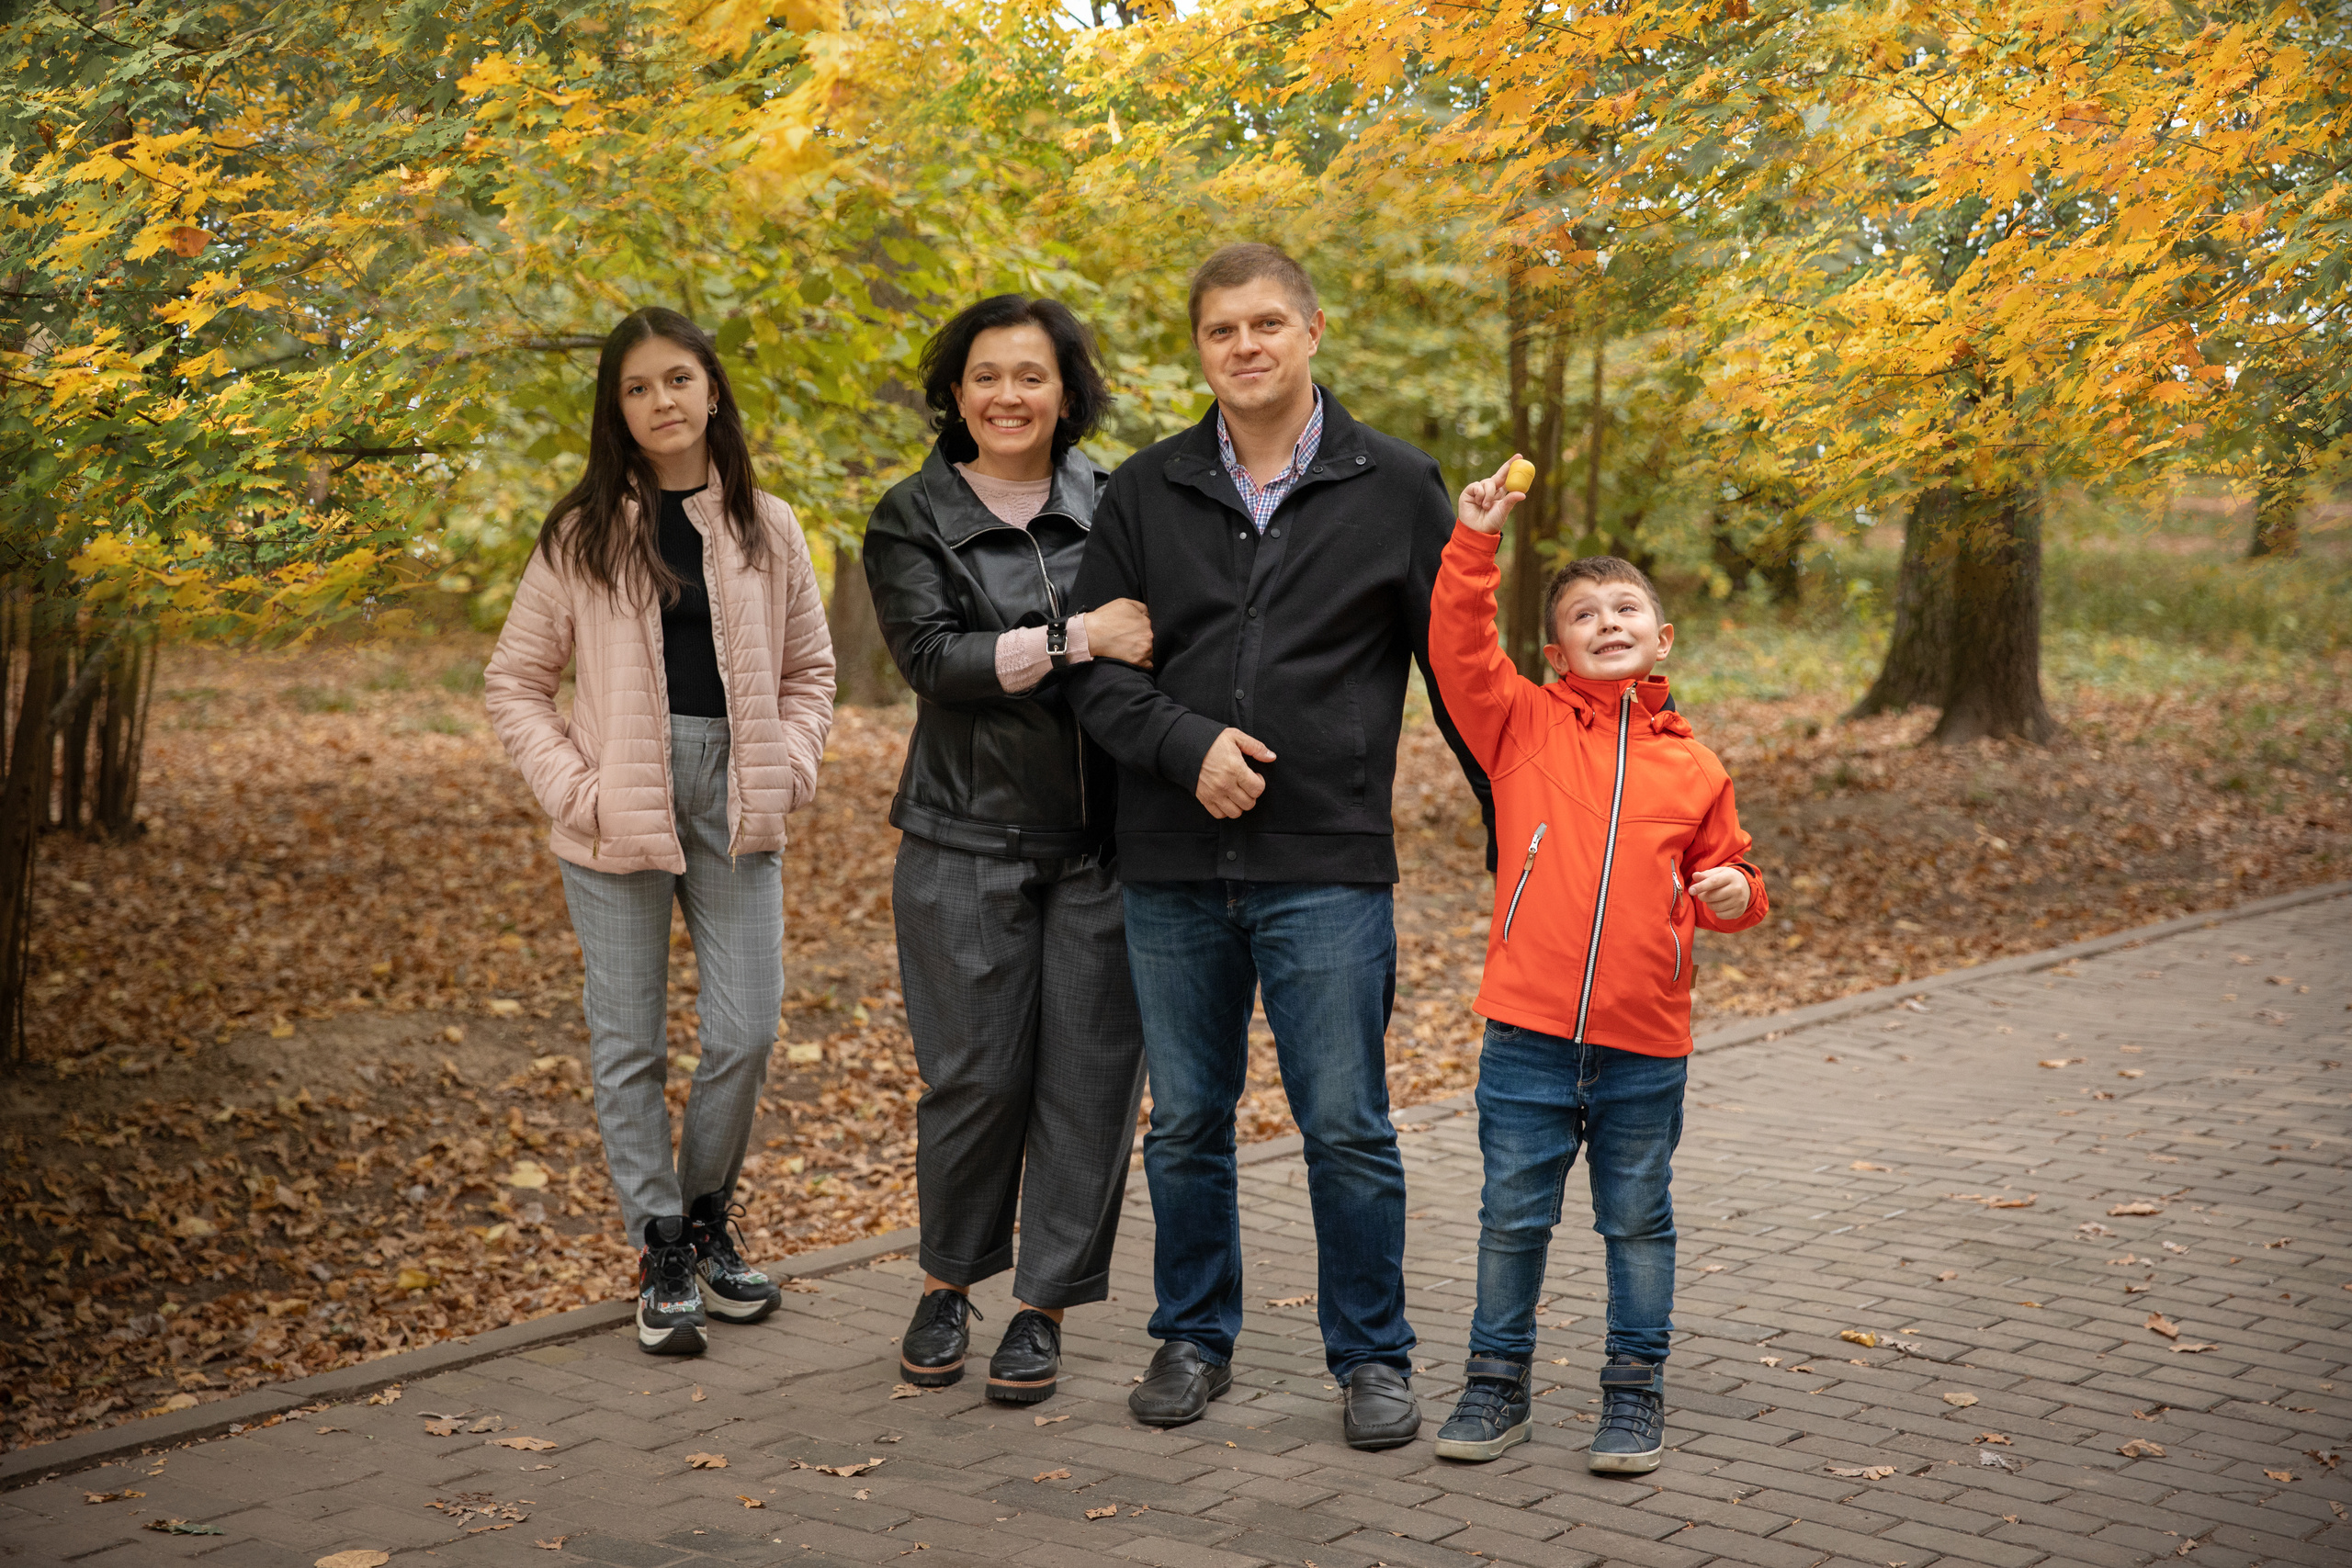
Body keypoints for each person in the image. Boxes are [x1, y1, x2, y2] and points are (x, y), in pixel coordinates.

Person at [1065, 243, 1490, 1450]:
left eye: (1266, 324)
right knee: (1189, 1120)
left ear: (1312, 328)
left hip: (1327, 864)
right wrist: (1184, 742)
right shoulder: (1143, 492)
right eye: (1220, 331)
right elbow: (1098, 680)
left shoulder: (1398, 485)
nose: (1244, 346)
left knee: (1347, 1122)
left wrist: (1522, 829)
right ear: (1198, 348)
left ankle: (1373, 1355)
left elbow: (1456, 675)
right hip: (1172, 860)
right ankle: (1193, 1334)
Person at [485, 307, 835, 1358]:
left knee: (746, 1029)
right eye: (637, 389)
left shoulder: (767, 528)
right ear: (618, 410)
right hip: (614, 805)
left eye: (677, 379)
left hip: (738, 796)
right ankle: (660, 1246)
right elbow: (514, 682)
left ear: (711, 389)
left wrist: (793, 761)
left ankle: (706, 1217)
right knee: (629, 1042)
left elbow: (810, 674)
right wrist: (577, 790)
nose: (661, 402)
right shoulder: (580, 533)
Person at [1421, 459, 1769, 1469]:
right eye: (1584, 613)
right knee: (1510, 1220)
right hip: (1526, 1035)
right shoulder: (1518, 724)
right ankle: (1494, 1389)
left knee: (1637, 1225)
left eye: (1627, 608)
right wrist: (1475, 539)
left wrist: (1737, 897)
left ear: (1663, 639)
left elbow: (1731, 876)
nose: (1607, 620)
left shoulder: (1695, 766)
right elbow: (1455, 645)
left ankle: (1632, 1395)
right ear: (1556, 647)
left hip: (1643, 1043)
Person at [862, 296, 1155, 1404]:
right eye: (985, 376)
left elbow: (1166, 639)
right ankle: (948, 1284)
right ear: (952, 394)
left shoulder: (1121, 502)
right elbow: (936, 660)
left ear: (1067, 394)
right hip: (963, 841)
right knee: (974, 1080)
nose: (1007, 397)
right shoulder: (911, 516)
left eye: (1031, 376)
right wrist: (1079, 636)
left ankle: (1042, 1308)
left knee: (1086, 1084)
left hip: (1104, 847)